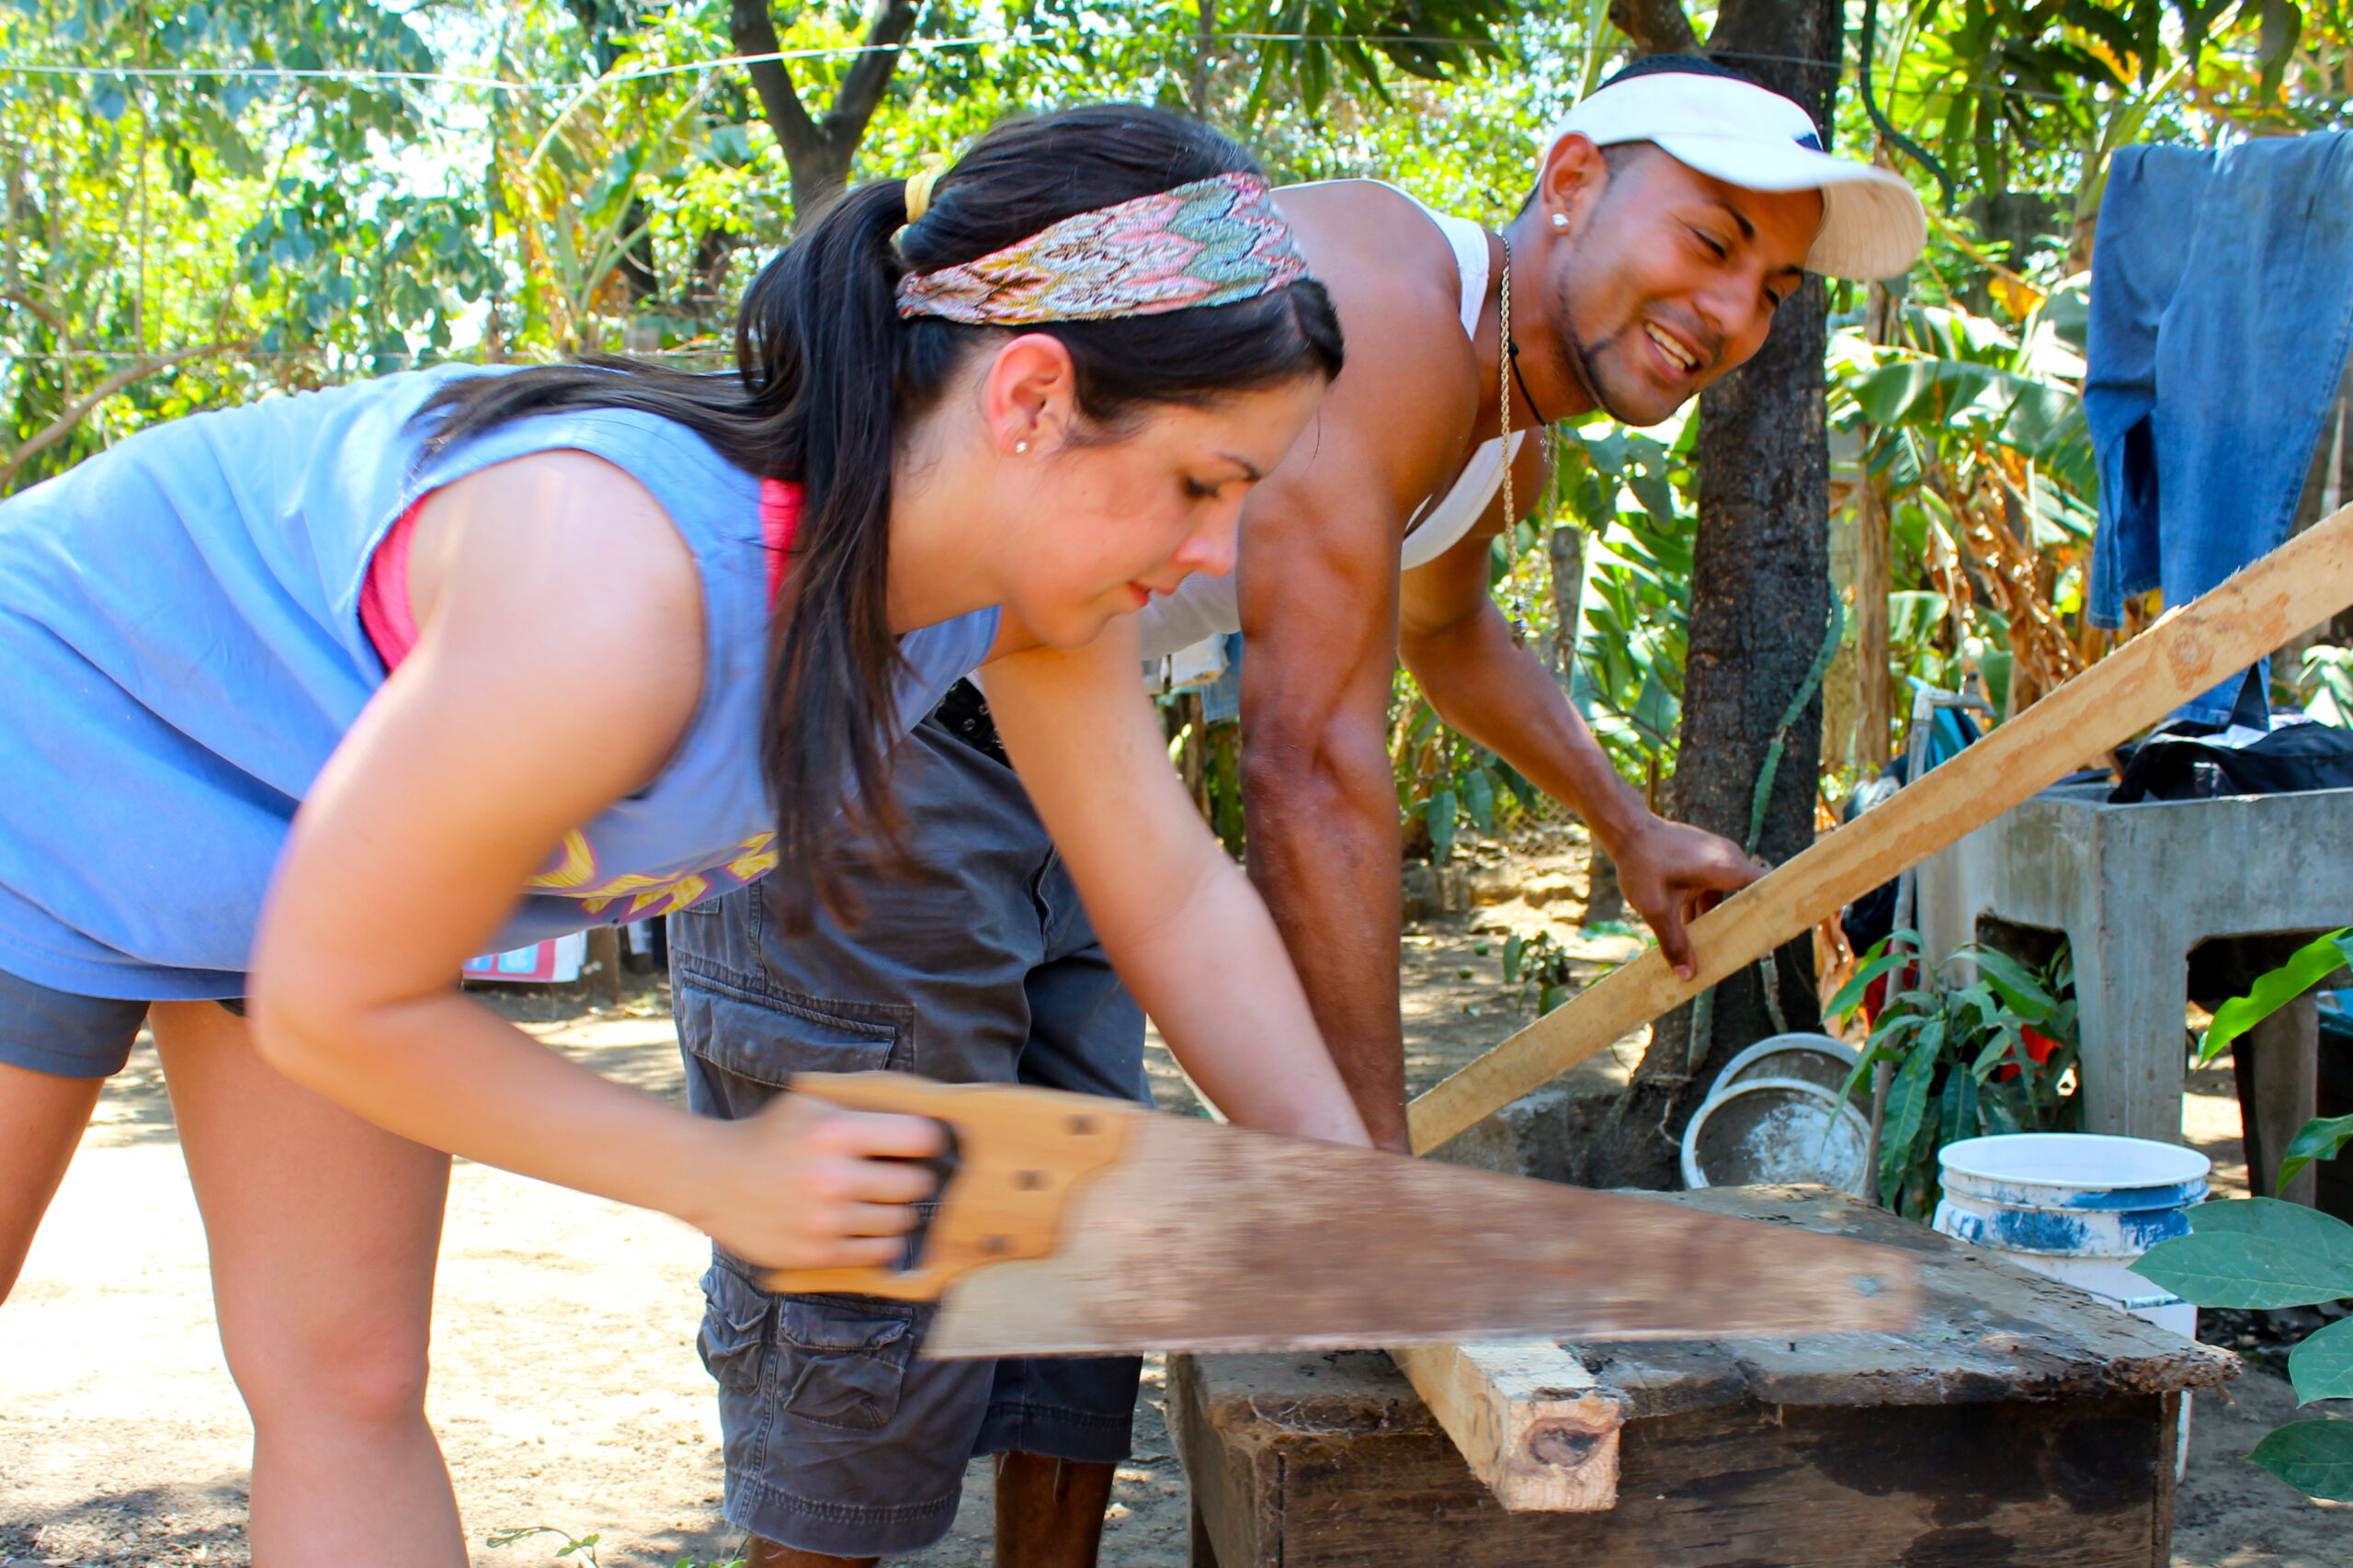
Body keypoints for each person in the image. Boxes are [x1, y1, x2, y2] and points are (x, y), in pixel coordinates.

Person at [0, 106, 1375, 1567]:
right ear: (1030, 397)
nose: (1216, 557)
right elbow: (342, 1000)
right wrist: (720, 1174)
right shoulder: (624, 583)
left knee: (343, 1378)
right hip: (61, 735)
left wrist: (1349, 1188)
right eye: (1202, 484)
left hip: (309, 853)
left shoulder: (1011, 599)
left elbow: (1167, 891)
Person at [672, 54, 1927, 1568]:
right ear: (1575, 183)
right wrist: (1377, 1200)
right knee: (872, 1298)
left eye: (1777, 288)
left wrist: (1624, 823)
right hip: (895, 731)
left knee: (1078, 1263)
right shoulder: (1394, 311)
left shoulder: (1503, 420)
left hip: (1074, 744)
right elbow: (1310, 756)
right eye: (1713, 241)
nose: (1734, 314)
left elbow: (1452, 637)